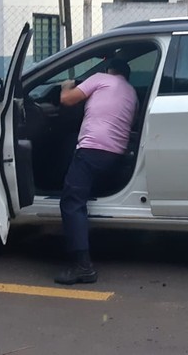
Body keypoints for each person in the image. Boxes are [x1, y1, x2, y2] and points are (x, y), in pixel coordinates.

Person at [54, 58, 137, 285]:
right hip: (115, 157)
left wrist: (66, 85)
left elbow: (67, 100)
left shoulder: (100, 79)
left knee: (71, 202)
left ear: (108, 70)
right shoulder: (131, 93)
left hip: (92, 150)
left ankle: (83, 267)